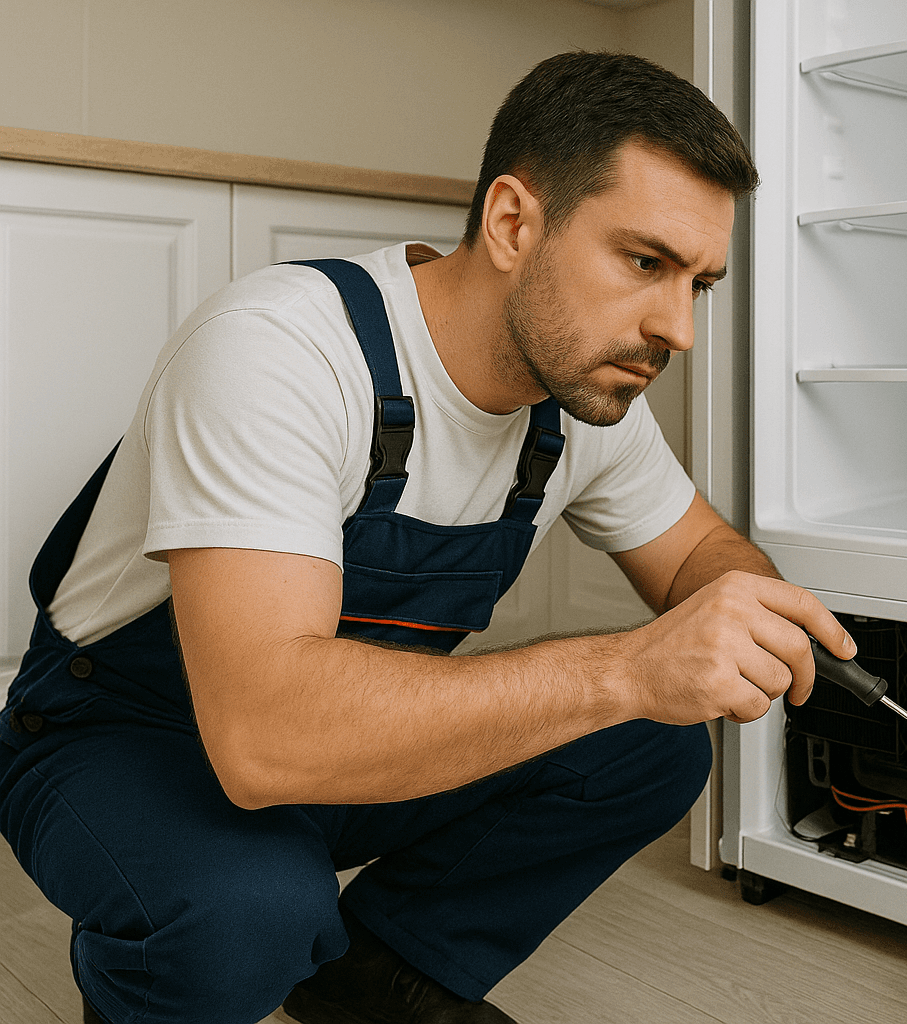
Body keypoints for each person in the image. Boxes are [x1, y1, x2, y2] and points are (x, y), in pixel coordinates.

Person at [0, 51, 854, 1024]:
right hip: (127, 739)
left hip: (337, 743)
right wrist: (625, 667)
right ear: (511, 222)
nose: (679, 327)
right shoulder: (282, 349)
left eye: (699, 281)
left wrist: (750, 604)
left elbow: (702, 555)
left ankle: (380, 974)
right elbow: (263, 736)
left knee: (653, 744)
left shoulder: (578, 405)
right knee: (249, 912)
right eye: (645, 262)